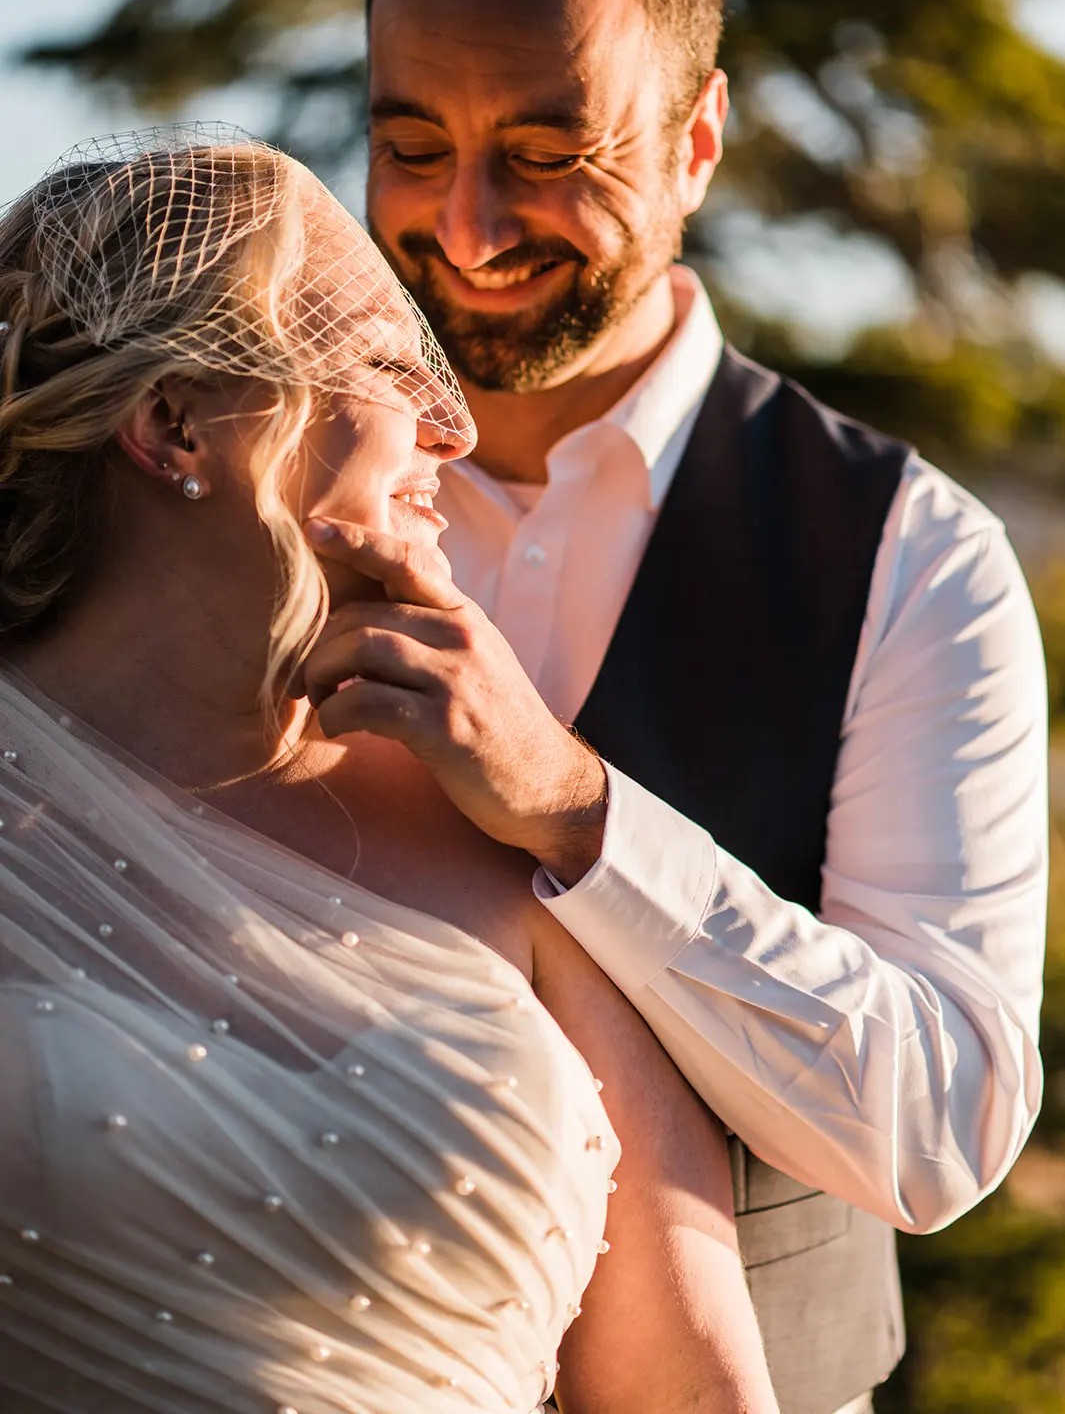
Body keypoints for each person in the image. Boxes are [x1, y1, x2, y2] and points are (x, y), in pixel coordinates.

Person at [317, 0, 1049, 1414]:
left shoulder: (912, 558)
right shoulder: (241, 502)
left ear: (698, 139)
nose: (467, 223)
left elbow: (941, 1125)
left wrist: (578, 813)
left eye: (544, 146)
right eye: (408, 143)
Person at [0, 130, 781, 1414]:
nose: (450, 428)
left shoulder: (500, 834)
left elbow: (699, 1395)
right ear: (171, 419)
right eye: (379, 360)